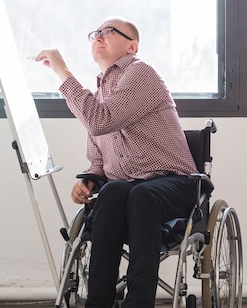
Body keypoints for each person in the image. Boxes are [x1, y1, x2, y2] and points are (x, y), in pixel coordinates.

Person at [35, 17, 202, 308]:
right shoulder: (98, 97)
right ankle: (98, 302)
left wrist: (62, 71)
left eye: (107, 32)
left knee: (141, 193)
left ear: (131, 46)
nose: (98, 36)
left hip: (175, 184)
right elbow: (97, 159)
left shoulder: (141, 73)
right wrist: (88, 179)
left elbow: (100, 121)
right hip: (131, 190)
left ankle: (138, 303)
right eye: (95, 33)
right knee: (112, 192)